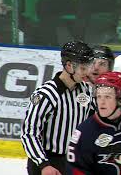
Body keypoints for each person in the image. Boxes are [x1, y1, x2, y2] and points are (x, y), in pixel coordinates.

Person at [21, 41, 94, 175]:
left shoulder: (86, 91)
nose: (87, 73)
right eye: (83, 68)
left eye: (88, 67)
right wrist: (43, 165)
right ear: (69, 66)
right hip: (47, 163)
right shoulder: (46, 94)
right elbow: (29, 132)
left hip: (73, 162)